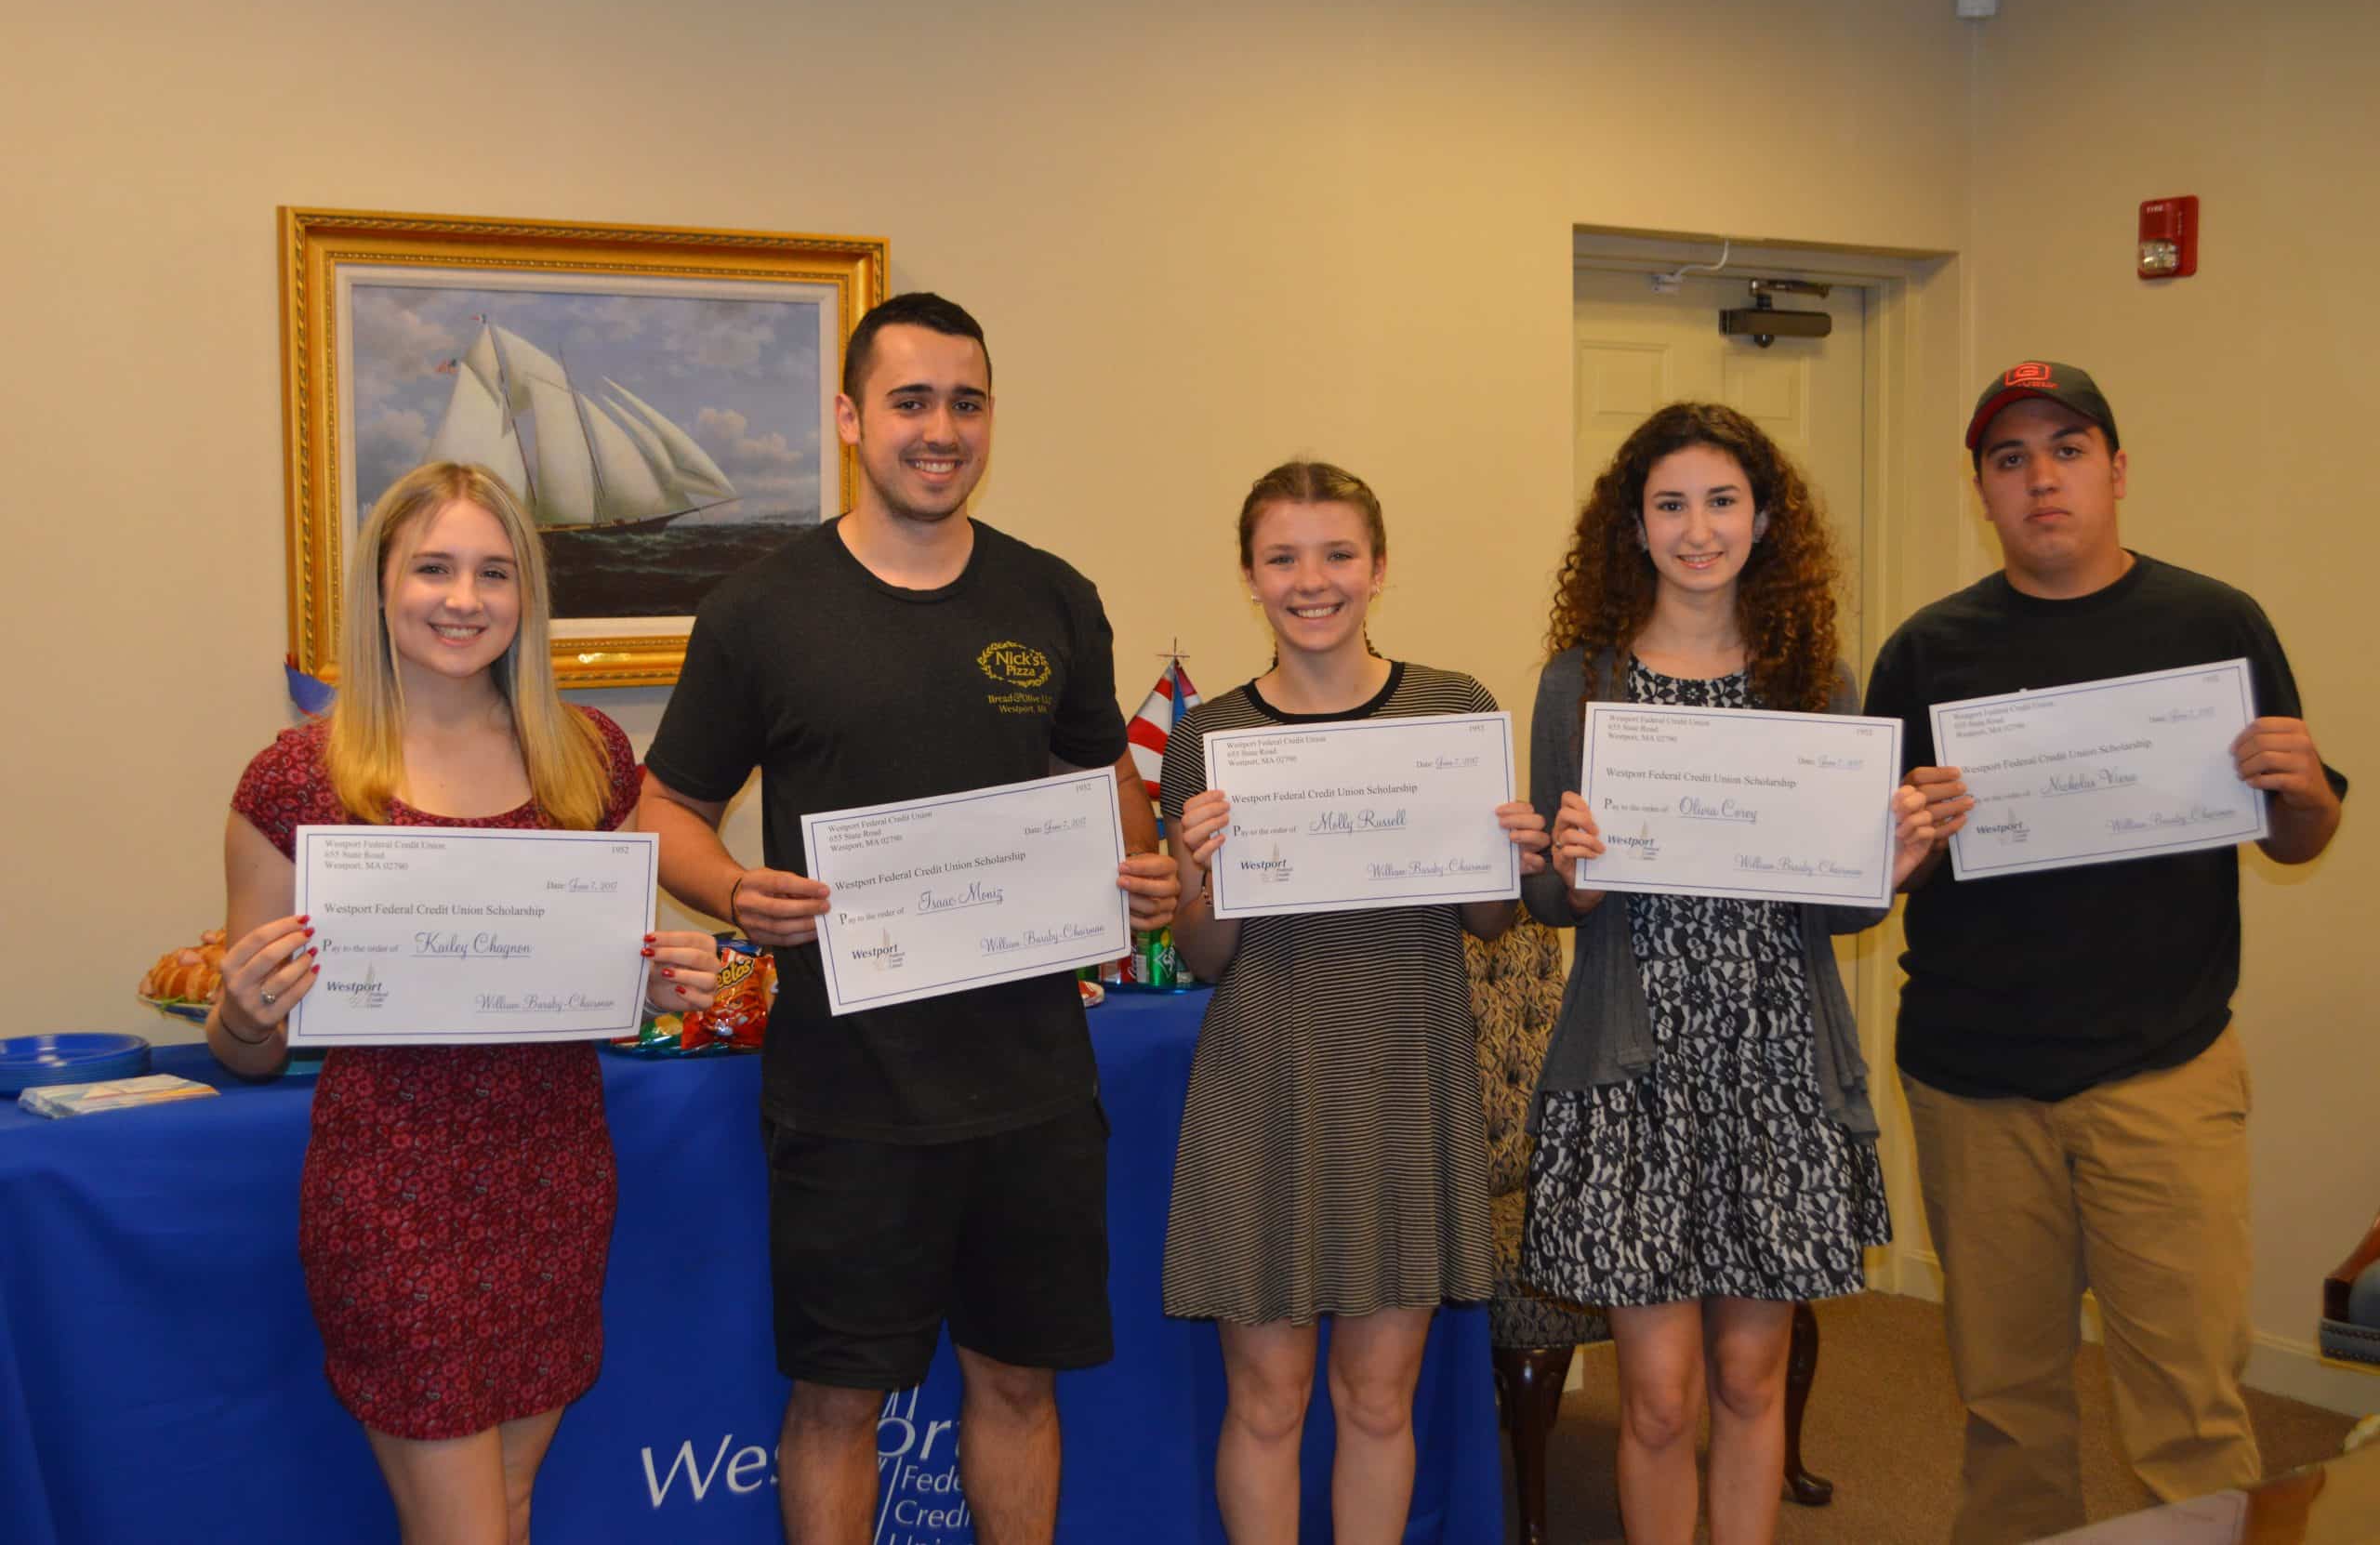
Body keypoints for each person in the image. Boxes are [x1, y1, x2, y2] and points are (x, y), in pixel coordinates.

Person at [636, 291, 1179, 1545]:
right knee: (837, 1402)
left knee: (1017, 1381)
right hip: (849, 1085)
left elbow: (1104, 790)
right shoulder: (762, 610)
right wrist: (732, 887)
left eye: (967, 401)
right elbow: (664, 806)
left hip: (1034, 1078)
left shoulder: (1051, 597)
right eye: (911, 401)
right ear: (850, 418)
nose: (942, 429)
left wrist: (1142, 872)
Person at [1863, 362, 2347, 1543]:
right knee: (2007, 1405)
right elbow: (1867, 881)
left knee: (2188, 1407)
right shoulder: (1929, 651)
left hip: (2161, 1075)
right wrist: (1905, 840)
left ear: (2116, 470)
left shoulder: (2210, 623)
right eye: (2011, 459)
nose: (2042, 480)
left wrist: (2301, 790)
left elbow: (2296, 832)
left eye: (2067, 450)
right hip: (1973, 1081)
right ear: (1980, 487)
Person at [206, 460, 721, 1544]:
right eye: (433, 567)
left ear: (527, 596)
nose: (463, 598)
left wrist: (660, 979)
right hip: (391, 1192)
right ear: (380, 586)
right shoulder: (297, 782)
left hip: (553, 1177)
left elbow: (606, 977)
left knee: (514, 1506)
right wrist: (246, 1014)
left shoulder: (587, 758)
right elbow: (249, 1048)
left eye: (494, 572)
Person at [1516, 403, 1934, 1545]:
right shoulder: (1582, 678)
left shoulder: (1817, 676)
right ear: (1633, 527)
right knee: (1656, 1396)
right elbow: (1549, 895)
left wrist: (1889, 862)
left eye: (1720, 501)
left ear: (1762, 519)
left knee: (1750, 1383)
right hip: (1630, 1073)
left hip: (1777, 1069)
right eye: (1668, 505)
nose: (1697, 529)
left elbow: (1839, 904)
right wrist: (1574, 873)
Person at [1161, 460, 1550, 1543]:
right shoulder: (1209, 739)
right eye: (1282, 557)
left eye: (1337, 554)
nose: (1311, 580)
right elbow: (1200, 957)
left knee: (1378, 1401)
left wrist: (1505, 854)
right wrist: (1196, 868)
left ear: (1379, 567)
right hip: (1260, 1088)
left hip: (1403, 1083)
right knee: (1268, 1400)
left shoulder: (1454, 710)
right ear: (1249, 577)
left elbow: (1488, 922)